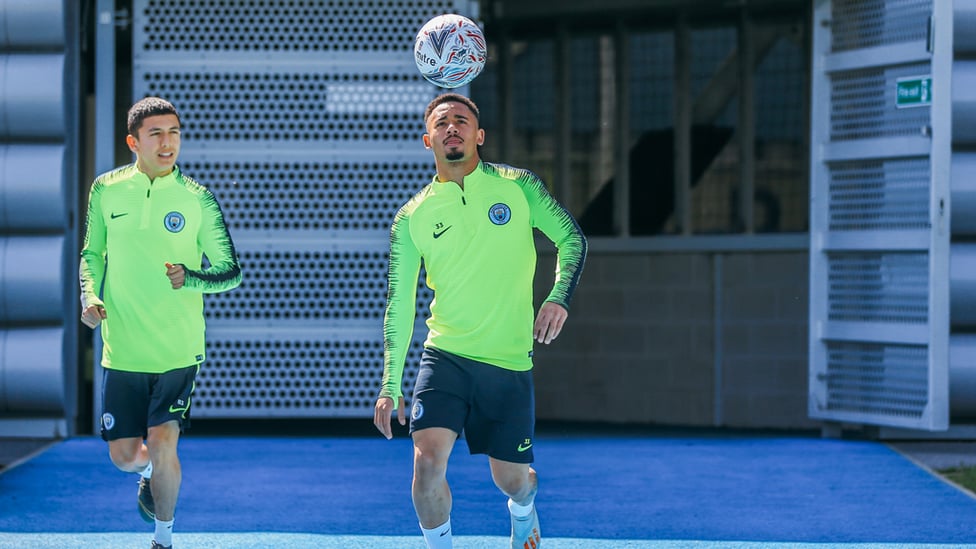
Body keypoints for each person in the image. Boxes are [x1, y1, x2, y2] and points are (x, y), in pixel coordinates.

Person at [373, 92, 587, 549]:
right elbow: (398, 303)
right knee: (426, 465)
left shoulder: (519, 186)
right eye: (443, 121)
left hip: (507, 363)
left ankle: (524, 509)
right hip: (445, 356)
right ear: (426, 138)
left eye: (462, 120)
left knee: (512, 480)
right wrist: (391, 383)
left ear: (479, 135)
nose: (453, 127)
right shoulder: (411, 216)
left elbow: (571, 238)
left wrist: (558, 297)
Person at [79, 97, 242, 549]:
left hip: (177, 349)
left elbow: (231, 272)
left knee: (164, 437)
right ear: (133, 141)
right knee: (125, 456)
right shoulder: (106, 190)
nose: (168, 142)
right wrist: (88, 295)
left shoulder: (198, 197)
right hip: (123, 349)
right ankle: (148, 471)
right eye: (156, 134)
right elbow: (91, 255)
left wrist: (191, 278)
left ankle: (163, 539)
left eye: (174, 132)